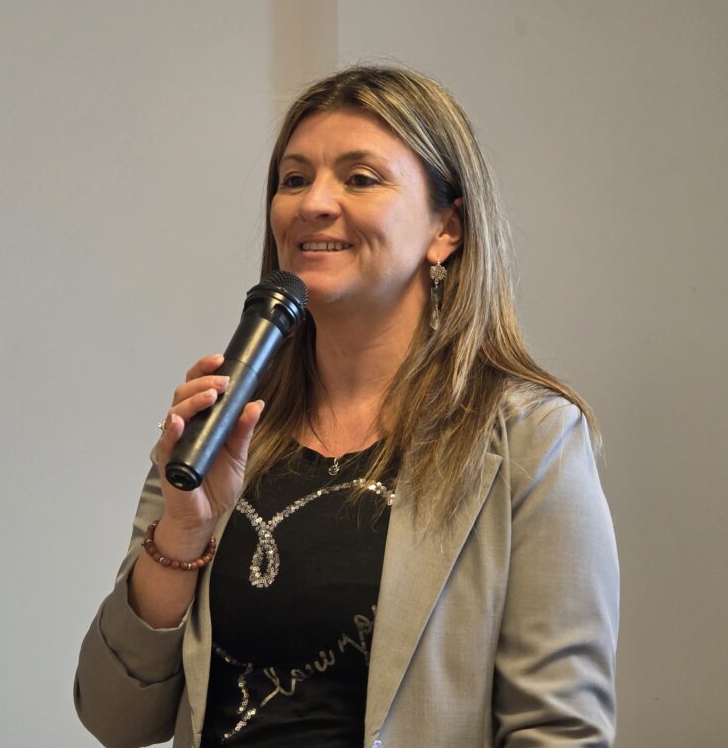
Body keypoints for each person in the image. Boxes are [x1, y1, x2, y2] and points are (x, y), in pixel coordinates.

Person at [75, 65, 619, 747]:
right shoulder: (222, 427)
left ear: (446, 229)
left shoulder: (531, 438)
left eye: (360, 178)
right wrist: (181, 537)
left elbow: (559, 732)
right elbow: (115, 718)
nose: (313, 203)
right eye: (294, 179)